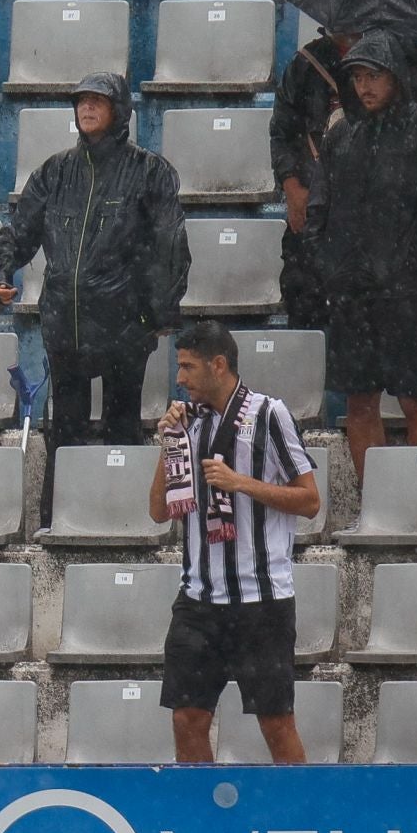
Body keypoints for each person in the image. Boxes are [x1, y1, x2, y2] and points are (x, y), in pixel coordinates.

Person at [0, 71, 191, 529]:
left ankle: (125, 516)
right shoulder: (56, 171)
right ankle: (61, 519)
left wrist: (159, 311)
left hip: (125, 323)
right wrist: (3, 271)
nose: (87, 108)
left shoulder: (149, 171)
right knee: (66, 431)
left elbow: (170, 245)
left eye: (98, 101)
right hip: (65, 322)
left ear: (119, 110)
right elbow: (20, 228)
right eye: (81, 101)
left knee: (123, 424)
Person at [147, 322, 321, 764]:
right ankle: (202, 820)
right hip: (199, 600)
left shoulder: (269, 414)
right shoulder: (187, 420)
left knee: (276, 723)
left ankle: (299, 818)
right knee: (187, 719)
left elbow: (310, 501)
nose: (180, 378)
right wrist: (168, 444)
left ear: (218, 365)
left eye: (187, 367)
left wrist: (241, 483)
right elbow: (158, 511)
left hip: (261, 601)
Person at [319, 29, 417, 480]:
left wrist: (413, 258)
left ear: (397, 78)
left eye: (375, 76)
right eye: (358, 76)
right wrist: (330, 262)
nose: (365, 86)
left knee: (415, 398)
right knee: (359, 400)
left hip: (408, 292)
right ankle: (376, 504)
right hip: (351, 291)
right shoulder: (340, 136)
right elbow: (321, 205)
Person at [269, 29, 417, 331]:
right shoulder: (306, 63)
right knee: (308, 309)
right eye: (358, 77)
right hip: (321, 214)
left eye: (373, 76)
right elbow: (282, 131)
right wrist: (291, 185)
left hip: (392, 237)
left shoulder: (411, 58)